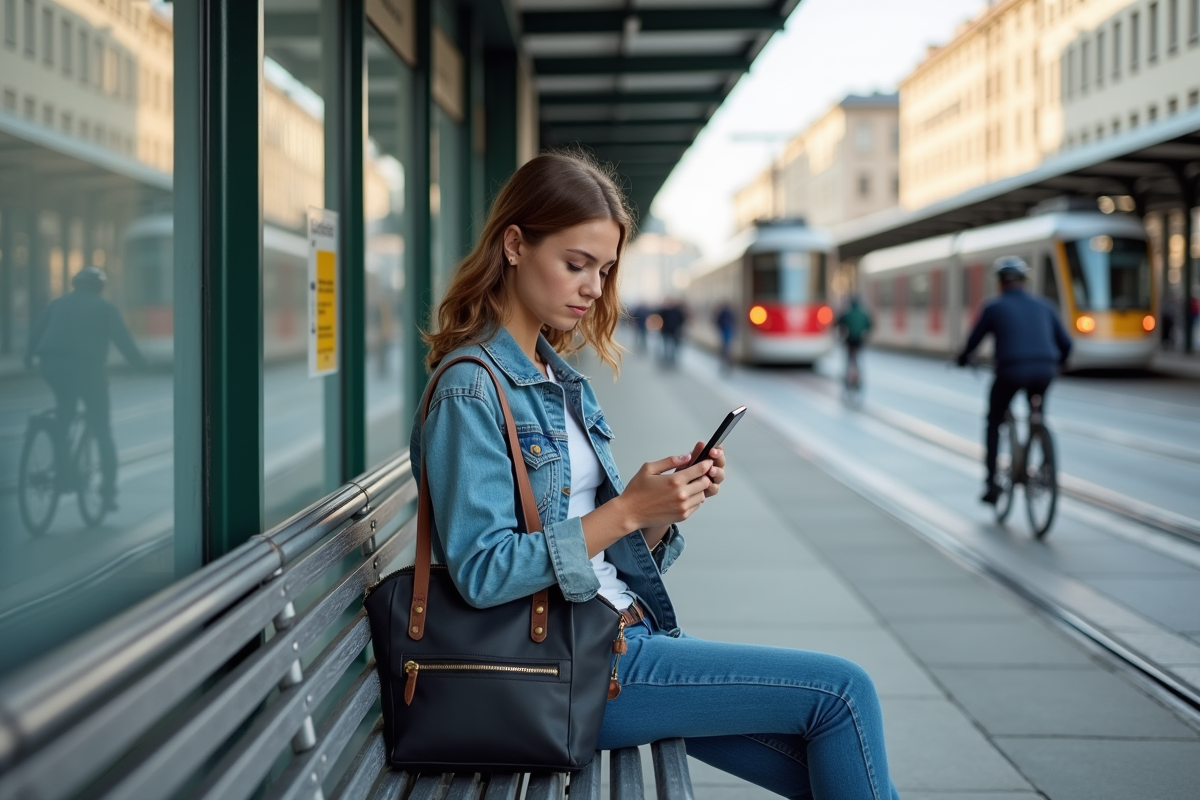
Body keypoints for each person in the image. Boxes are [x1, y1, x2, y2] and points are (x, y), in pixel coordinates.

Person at [410, 152, 900, 799]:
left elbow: (587, 545)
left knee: (835, 768)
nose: (593, 287)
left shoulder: (559, 379)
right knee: (843, 692)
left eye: (604, 269)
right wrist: (626, 511)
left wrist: (659, 513)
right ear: (515, 245)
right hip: (571, 669)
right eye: (576, 264)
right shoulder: (472, 389)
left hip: (613, 640)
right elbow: (483, 572)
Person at [25, 267, 147, 511]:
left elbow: (37, 332)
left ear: (75, 285)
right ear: (99, 288)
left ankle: (61, 466)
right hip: (87, 371)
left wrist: (28, 358)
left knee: (65, 412)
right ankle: (108, 493)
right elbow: (123, 341)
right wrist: (141, 366)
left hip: (51, 366)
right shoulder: (105, 308)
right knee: (102, 429)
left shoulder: (58, 304)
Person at [956, 256, 1071, 505]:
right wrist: (1057, 364)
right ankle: (1042, 459)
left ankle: (991, 484)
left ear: (1000, 283)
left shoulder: (994, 307)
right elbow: (1066, 344)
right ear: (1024, 282)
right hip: (1044, 371)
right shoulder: (1045, 306)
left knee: (994, 421)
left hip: (1010, 372)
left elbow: (973, 342)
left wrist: (963, 359)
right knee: (1036, 412)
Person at [835, 295, 873, 389]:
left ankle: (847, 376)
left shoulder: (847, 313)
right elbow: (870, 325)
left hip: (849, 340)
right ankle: (858, 377)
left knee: (849, 359)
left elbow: (838, 323)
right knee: (858, 358)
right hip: (859, 341)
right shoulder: (864, 314)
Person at [657, 298, 687, 368]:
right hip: (666, 331)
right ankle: (667, 360)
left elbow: (681, 321)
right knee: (666, 346)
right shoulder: (664, 311)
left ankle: (672, 360)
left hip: (675, 332)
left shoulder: (678, 311)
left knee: (674, 347)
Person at [714, 302, 736, 373]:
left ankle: (726, 362)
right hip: (728, 331)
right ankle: (728, 362)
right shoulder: (730, 313)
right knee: (727, 347)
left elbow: (717, 321)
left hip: (724, 331)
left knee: (725, 347)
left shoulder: (722, 313)